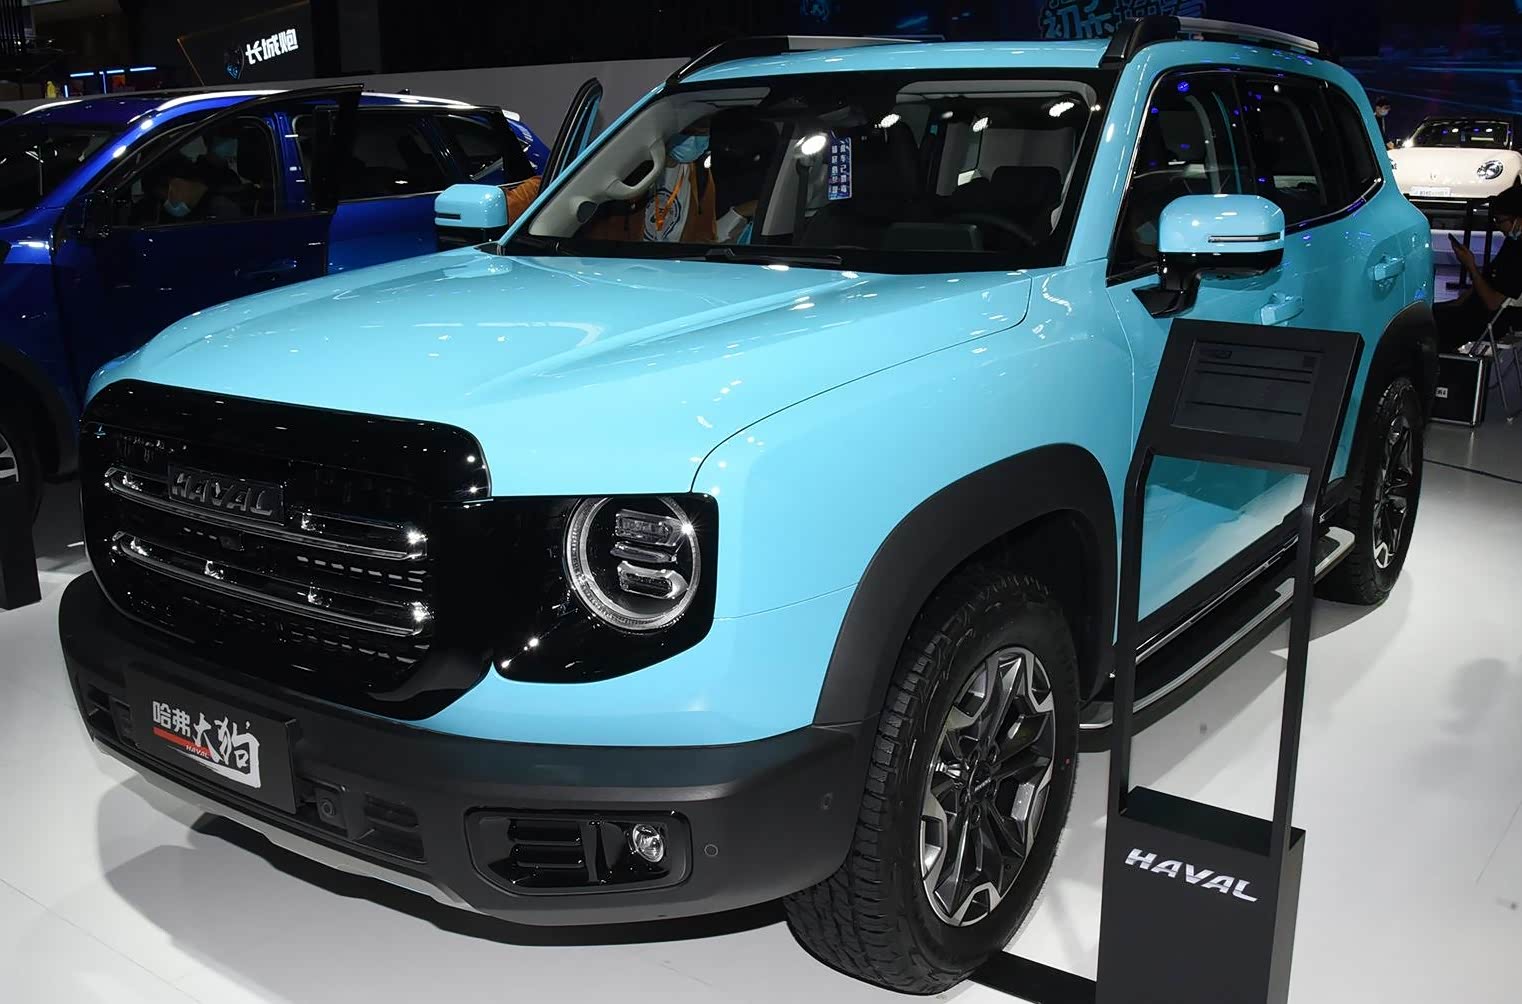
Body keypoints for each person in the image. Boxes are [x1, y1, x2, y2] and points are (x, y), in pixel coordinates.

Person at [1434, 183, 1522, 353]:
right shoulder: (1512, 242)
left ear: (1517, 219)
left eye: (1500, 221)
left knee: (1427, 326)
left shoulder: (1518, 253)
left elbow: (1492, 302)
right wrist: (1458, 302)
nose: (1498, 226)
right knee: (1428, 315)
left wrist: (1471, 266)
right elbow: (1489, 279)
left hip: (1494, 319)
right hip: (1476, 309)